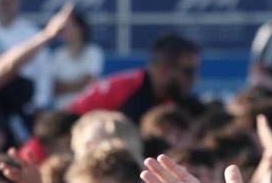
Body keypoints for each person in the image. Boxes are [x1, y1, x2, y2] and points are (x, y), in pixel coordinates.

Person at [64, 32, 201, 121]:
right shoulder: (121, 90)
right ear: (162, 69)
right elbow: (64, 121)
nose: (194, 78)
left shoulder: (178, 99)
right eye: (188, 71)